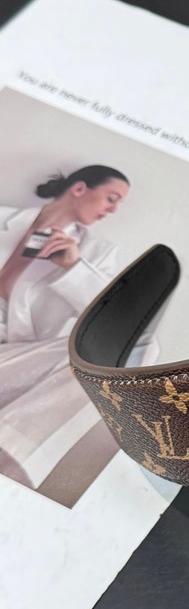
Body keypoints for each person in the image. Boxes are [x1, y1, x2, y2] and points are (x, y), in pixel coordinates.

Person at [0, 165, 129, 499]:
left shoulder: (97, 254)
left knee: (91, 356)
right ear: (79, 188)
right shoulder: (3, 218)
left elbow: (109, 321)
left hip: (16, 358)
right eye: (111, 198)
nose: (113, 209)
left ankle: (9, 455)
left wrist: (73, 266)